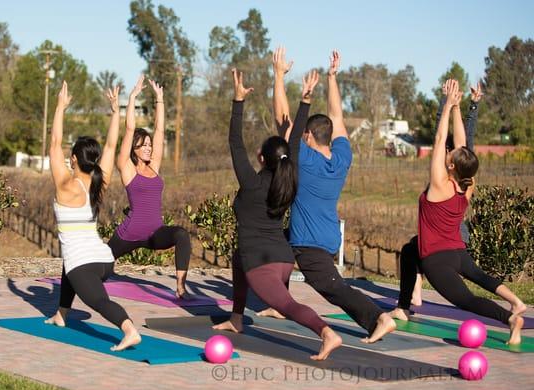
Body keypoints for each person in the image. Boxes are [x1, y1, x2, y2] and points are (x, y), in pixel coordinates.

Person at [262, 47, 396, 343]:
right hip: (326, 235)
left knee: (330, 286)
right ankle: (280, 304)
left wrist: (278, 76)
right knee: (274, 245)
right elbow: (337, 115)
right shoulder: (342, 157)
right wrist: (333, 77)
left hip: (309, 241)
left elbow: (282, 121)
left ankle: (378, 318)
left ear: (308, 137)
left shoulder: (305, 159)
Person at [212, 68, 342, 360]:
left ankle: (327, 333)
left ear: (261, 158)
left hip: (262, 264)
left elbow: (235, 141)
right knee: (237, 257)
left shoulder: (252, 181)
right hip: (283, 260)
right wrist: (305, 101)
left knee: (289, 306)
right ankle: (236, 318)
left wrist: (237, 101)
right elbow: (294, 140)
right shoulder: (289, 177)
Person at [389, 80, 525, 345]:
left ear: (451, 166)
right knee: (410, 250)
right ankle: (403, 306)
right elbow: (462, 144)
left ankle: (509, 319)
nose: (448, 155)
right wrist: (457, 108)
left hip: (437, 260)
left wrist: (449, 105)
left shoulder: (439, 185)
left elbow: (441, 139)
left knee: (466, 300)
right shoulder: (467, 184)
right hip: (457, 252)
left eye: (450, 158)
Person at [45, 81, 141, 351]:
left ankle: (129, 329)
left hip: (85, 264)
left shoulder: (66, 184)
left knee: (100, 302)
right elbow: (111, 147)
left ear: (74, 159)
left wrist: (60, 107)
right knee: (69, 259)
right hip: (104, 260)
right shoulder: (101, 181)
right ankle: (62, 314)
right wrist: (115, 113)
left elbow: (53, 144)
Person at [107, 75, 193, 299]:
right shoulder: (127, 168)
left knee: (182, 235)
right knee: (100, 270)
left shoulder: (154, 166)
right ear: (134, 149)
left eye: (149, 145)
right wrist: (133, 97)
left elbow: (160, 131)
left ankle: (181, 286)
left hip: (155, 234)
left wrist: (160, 100)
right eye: (143, 145)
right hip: (129, 234)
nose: (148, 148)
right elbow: (128, 131)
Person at [408, 80, 484, 306]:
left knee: (427, 252)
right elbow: (438, 134)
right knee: (415, 246)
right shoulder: (445, 164)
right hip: (443, 225)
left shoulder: (457, 161)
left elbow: (461, 137)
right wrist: (448, 101)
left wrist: (469, 106)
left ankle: (418, 292)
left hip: (452, 230)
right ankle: (415, 292)